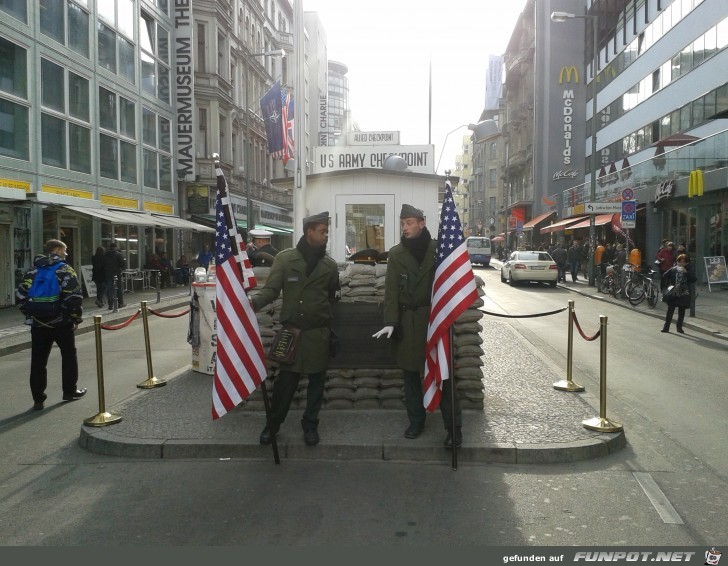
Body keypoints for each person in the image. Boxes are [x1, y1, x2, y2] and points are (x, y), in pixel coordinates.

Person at [372, 204, 463, 449]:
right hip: (409, 323)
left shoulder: (439, 250)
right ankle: (416, 421)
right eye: (402, 224)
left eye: (409, 223)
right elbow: (391, 292)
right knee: (411, 375)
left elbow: (452, 282)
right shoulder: (396, 254)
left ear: (421, 223)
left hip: (435, 320)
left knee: (443, 374)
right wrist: (391, 322)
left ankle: (454, 427)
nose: (405, 228)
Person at [251, 211, 341, 447]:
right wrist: (251, 304)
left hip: (318, 333)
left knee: (317, 384)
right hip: (292, 333)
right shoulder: (285, 259)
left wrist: (317, 313)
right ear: (309, 232)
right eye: (322, 232)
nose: (325, 236)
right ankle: (273, 424)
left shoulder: (330, 266)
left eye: (326, 232)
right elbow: (270, 291)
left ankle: (310, 424)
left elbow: (332, 296)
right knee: (285, 384)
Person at [16, 239, 86, 410]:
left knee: (38, 361)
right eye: (65, 250)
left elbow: (20, 296)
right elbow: (74, 297)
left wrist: (33, 314)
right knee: (69, 356)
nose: (66, 253)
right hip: (61, 323)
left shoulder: (32, 270)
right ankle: (69, 391)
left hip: (38, 325)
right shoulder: (64, 269)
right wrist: (75, 318)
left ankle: (38, 399)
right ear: (57, 250)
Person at [661, 254, 696, 334]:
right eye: (679, 262)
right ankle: (666, 327)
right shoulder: (674, 269)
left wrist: (686, 272)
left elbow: (693, 279)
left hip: (684, 293)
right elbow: (664, 275)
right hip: (673, 292)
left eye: (683, 263)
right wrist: (671, 270)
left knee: (681, 311)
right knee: (670, 310)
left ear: (686, 263)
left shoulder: (689, 269)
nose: (680, 264)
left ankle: (679, 328)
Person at [103, 241, 126, 309]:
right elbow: (122, 264)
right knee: (118, 288)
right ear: (115, 247)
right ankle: (120, 303)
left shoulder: (105, 255)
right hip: (116, 273)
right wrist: (122, 269)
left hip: (108, 274)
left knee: (110, 289)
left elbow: (103, 264)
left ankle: (110, 305)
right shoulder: (118, 255)